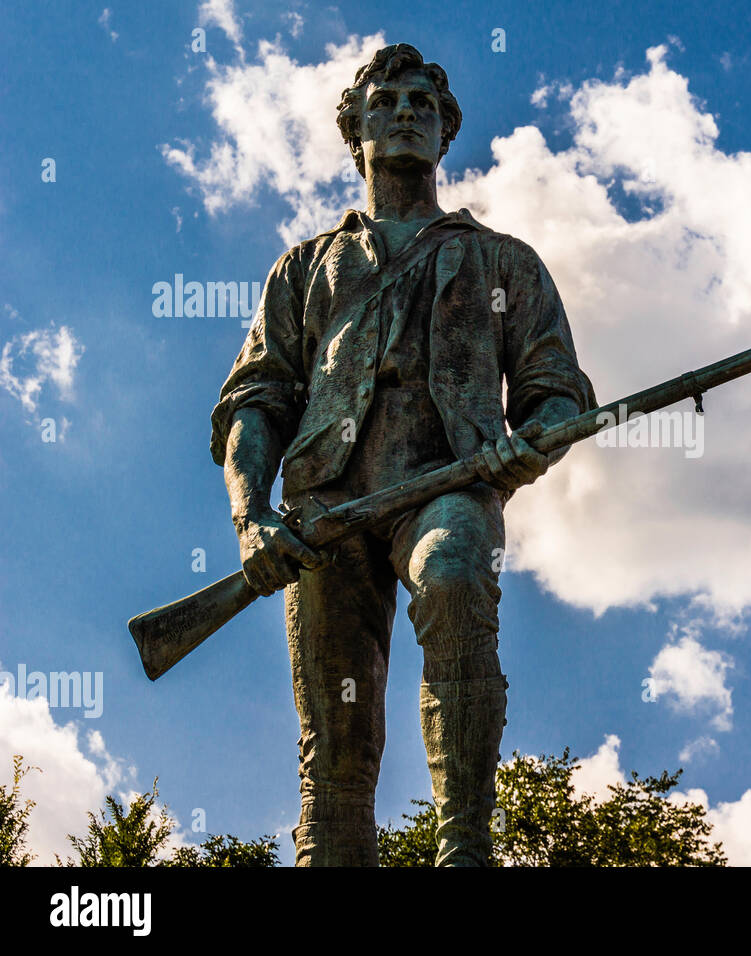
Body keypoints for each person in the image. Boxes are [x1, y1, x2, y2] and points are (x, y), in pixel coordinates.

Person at [209, 43, 598, 866]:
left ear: (447, 129)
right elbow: (254, 400)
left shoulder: (503, 261)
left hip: (446, 486)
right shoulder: (307, 266)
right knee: (337, 752)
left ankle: (464, 848)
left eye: (424, 100)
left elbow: (554, 387)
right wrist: (251, 520)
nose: (407, 110)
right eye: (386, 100)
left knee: (456, 576)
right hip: (324, 511)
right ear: (356, 130)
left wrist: (537, 439)